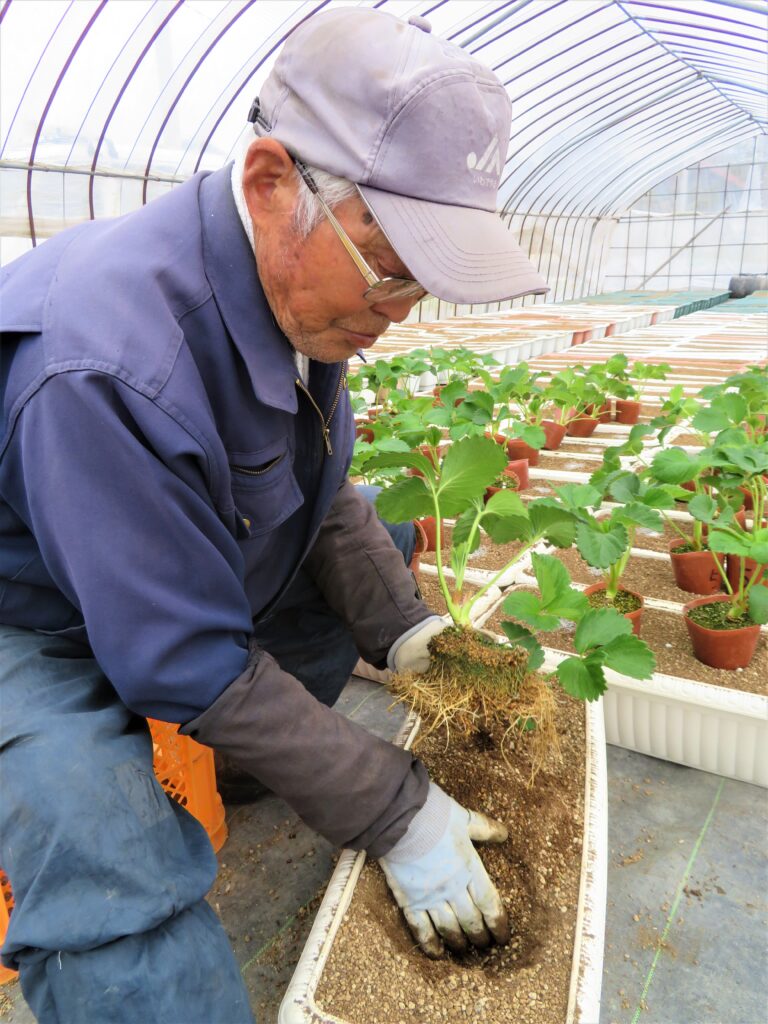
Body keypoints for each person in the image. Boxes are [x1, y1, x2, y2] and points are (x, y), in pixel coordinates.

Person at [0, 8, 548, 1022]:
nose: (400, 314)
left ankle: (249, 770)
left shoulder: (295, 294)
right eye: (393, 271)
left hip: (157, 564)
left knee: (378, 543)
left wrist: (409, 629)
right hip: (28, 613)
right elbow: (187, 659)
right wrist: (396, 810)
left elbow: (319, 489)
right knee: (103, 851)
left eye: (422, 285)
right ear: (269, 186)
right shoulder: (108, 361)